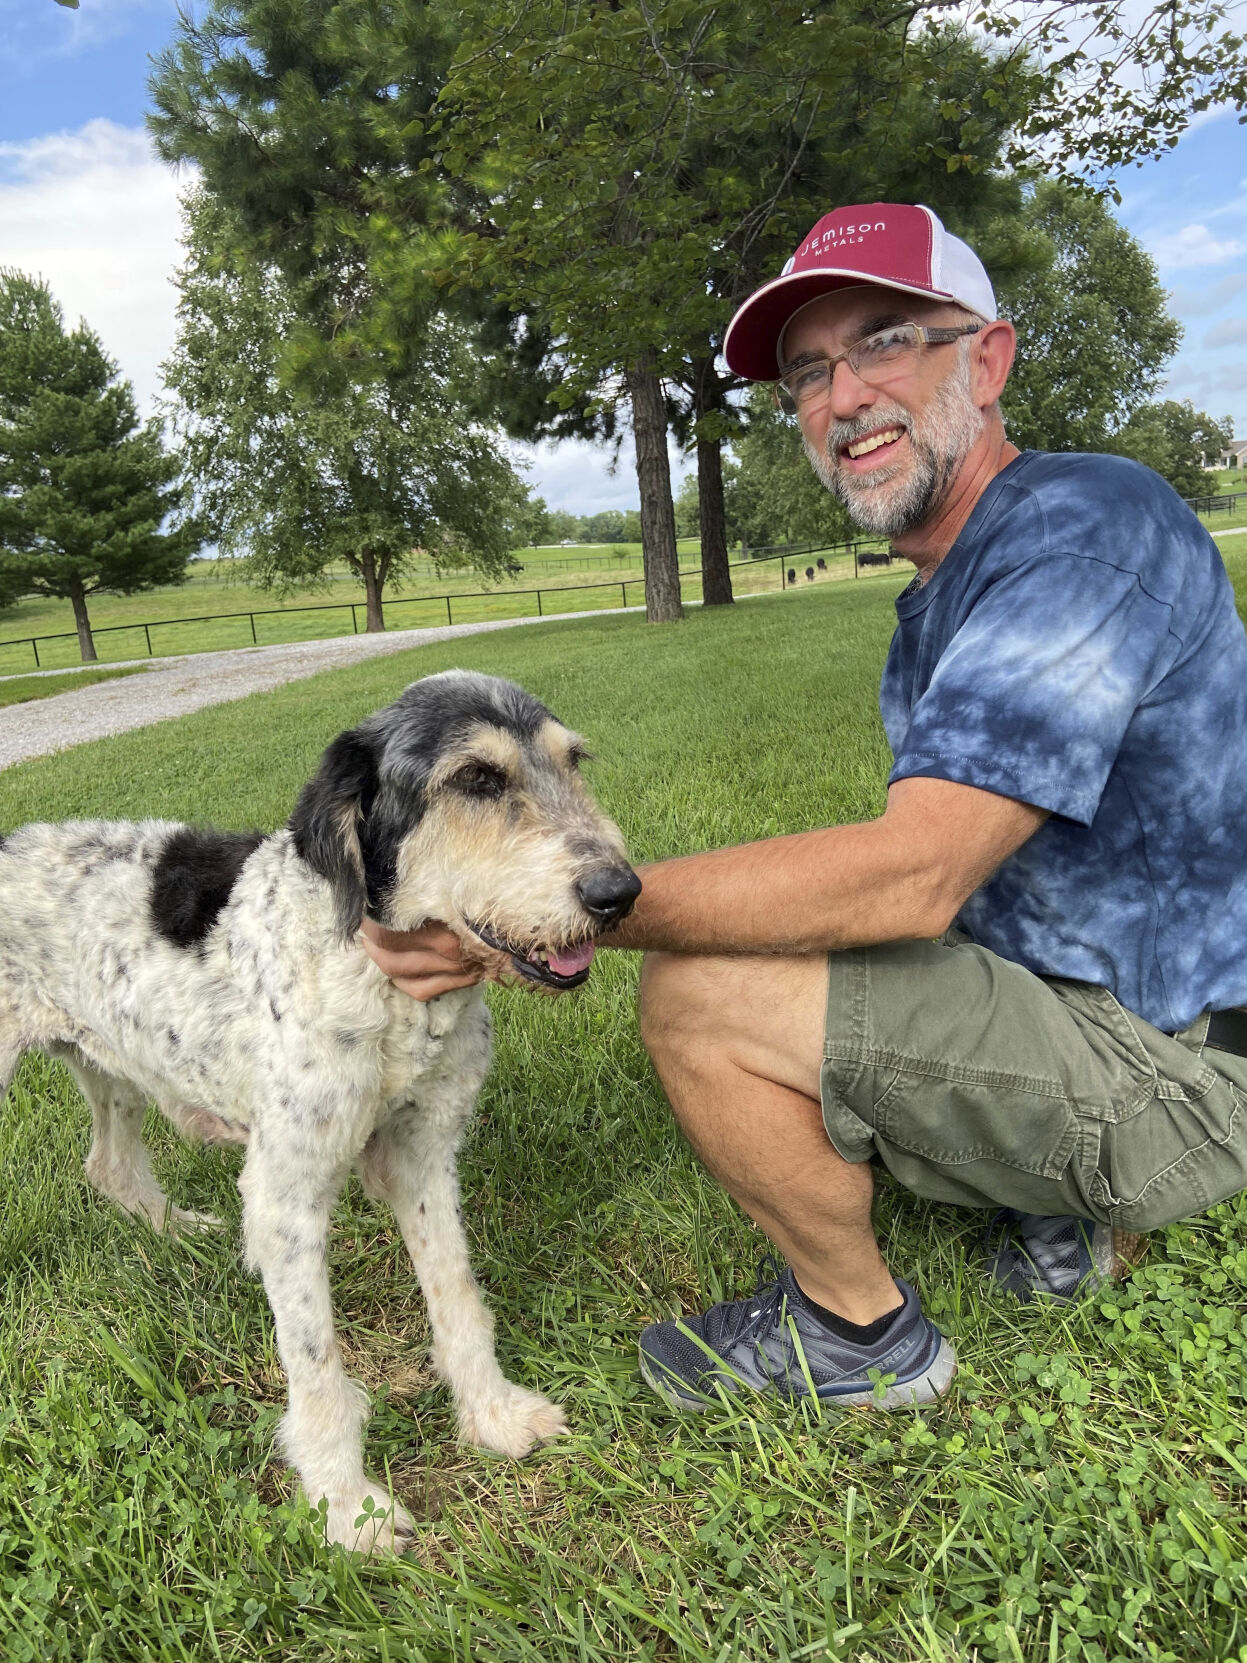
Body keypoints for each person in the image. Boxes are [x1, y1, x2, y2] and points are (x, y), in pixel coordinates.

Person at [362, 202, 1247, 1412]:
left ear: (986, 360)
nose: (843, 398)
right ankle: (1062, 1203)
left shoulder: (1081, 537)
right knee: (803, 947)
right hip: (1085, 999)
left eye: (886, 341)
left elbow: (914, 873)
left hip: (1180, 1069)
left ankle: (860, 1338)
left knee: (707, 989)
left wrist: (564, 908)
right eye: (809, 374)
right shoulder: (955, 581)